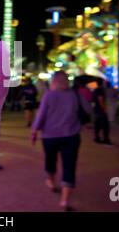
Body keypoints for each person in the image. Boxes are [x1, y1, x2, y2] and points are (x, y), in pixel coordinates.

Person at [31, 71, 90, 211]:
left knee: (50, 159)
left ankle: (51, 181)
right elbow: (88, 109)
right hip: (71, 135)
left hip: (49, 136)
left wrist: (34, 131)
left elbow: (41, 115)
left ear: (53, 81)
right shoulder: (75, 94)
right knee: (69, 165)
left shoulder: (48, 95)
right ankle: (64, 200)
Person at [92, 78, 112, 145]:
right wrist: (104, 109)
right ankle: (105, 139)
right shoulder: (100, 90)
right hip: (100, 110)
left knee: (97, 124)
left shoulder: (95, 90)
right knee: (105, 125)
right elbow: (100, 99)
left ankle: (97, 138)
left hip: (96, 109)